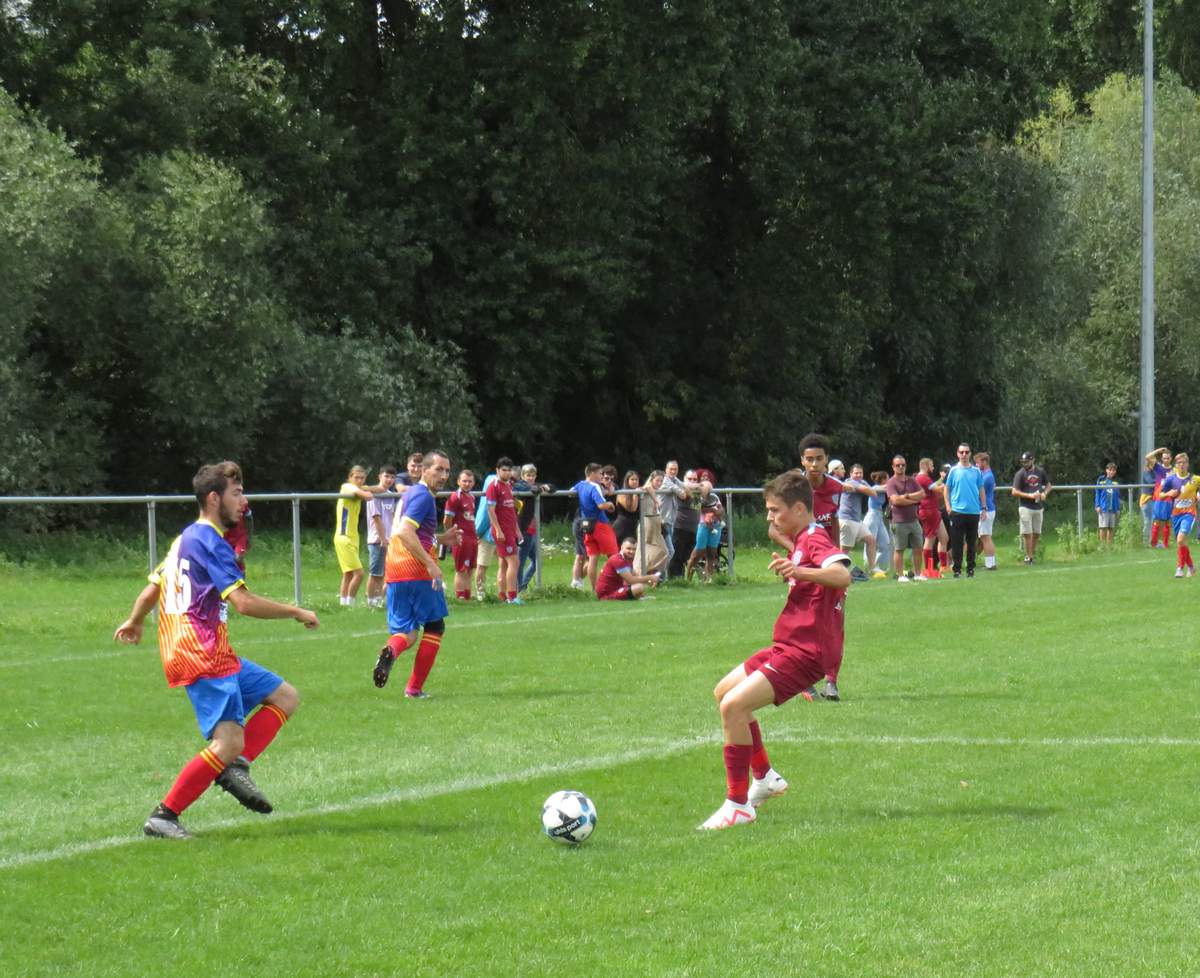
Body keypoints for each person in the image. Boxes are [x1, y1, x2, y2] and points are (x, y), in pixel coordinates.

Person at [114, 461, 319, 840]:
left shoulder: (185, 538)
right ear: (214, 498)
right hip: (200, 651)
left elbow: (154, 587)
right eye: (237, 494)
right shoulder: (209, 541)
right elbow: (243, 602)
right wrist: (295, 610)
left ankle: (234, 765)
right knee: (227, 741)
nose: (244, 502)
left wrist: (136, 619)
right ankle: (165, 815)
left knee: (285, 696)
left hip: (208, 649)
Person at [699, 469, 851, 830]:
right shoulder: (800, 537)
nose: (770, 517)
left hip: (807, 652)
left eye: (775, 510)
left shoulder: (814, 540)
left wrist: (801, 570)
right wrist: (795, 567)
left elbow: (843, 574)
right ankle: (765, 777)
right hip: (787, 644)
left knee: (733, 706)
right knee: (724, 692)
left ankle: (737, 805)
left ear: (799, 509)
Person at [373, 450, 461, 698]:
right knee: (435, 626)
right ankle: (413, 689)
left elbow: (414, 532)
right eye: (438, 469)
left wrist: (442, 539)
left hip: (396, 571)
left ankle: (390, 649)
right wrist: (431, 565)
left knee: (407, 632)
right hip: (418, 571)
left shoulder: (411, 494)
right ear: (424, 470)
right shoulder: (423, 496)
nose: (444, 475)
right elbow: (404, 532)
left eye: (447, 470)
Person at [769, 433, 842, 550]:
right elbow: (773, 530)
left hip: (825, 554)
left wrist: (838, 552)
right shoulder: (791, 488)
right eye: (809, 459)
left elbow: (834, 520)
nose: (814, 464)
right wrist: (797, 550)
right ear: (802, 460)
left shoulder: (836, 487)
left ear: (826, 459)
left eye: (819, 458)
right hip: (800, 556)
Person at [833, 461, 885, 581]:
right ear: (851, 474)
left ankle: (872, 568)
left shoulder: (861, 482)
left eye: (860, 473)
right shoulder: (850, 482)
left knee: (871, 540)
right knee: (844, 550)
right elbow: (872, 492)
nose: (858, 475)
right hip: (847, 520)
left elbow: (872, 491)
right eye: (856, 473)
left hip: (856, 520)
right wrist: (869, 489)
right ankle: (837, 571)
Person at [334, 465, 377, 606]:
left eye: (362, 478)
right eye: (356, 477)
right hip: (344, 537)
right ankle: (350, 603)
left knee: (348, 574)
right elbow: (367, 495)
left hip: (353, 537)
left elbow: (376, 489)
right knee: (359, 574)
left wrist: (376, 488)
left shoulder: (359, 489)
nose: (359, 480)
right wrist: (368, 491)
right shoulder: (347, 487)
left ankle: (343, 604)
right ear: (350, 477)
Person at [572, 463, 617, 593]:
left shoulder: (580, 485)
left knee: (592, 558)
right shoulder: (594, 486)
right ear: (591, 474)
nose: (601, 476)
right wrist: (610, 504)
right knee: (614, 556)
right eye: (599, 474)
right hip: (600, 524)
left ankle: (594, 590)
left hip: (587, 525)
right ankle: (619, 585)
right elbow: (601, 505)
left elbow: (571, 493)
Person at [944, 443, 986, 578]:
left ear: (970, 454)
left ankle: (970, 569)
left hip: (973, 512)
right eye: (961, 452)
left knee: (971, 542)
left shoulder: (976, 471)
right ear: (957, 454)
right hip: (957, 512)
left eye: (966, 452)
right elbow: (946, 489)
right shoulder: (953, 471)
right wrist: (948, 507)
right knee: (956, 542)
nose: (964, 455)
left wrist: (984, 507)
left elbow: (981, 489)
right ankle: (956, 569)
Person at [486, 457, 523, 604]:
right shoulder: (493, 486)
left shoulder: (508, 486)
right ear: (497, 470)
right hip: (502, 531)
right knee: (514, 562)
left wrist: (517, 530)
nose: (507, 473)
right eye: (504, 470)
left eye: (509, 470)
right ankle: (512, 596)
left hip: (509, 530)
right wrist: (498, 530)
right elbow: (491, 510)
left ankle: (502, 596)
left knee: (503, 564)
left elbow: (511, 512)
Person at [1157, 453, 1200, 578]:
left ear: (1187, 464)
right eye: (1179, 463)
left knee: (1181, 539)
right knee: (1181, 542)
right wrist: (1168, 493)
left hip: (1189, 514)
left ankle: (1180, 568)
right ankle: (1191, 567)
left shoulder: (1195, 479)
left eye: (1184, 462)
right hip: (1175, 515)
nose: (1181, 465)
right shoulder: (1171, 479)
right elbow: (1160, 495)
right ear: (1176, 465)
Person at [885, 455, 925, 581]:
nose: (901, 467)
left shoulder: (912, 480)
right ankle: (900, 575)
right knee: (899, 549)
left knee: (918, 548)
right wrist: (913, 499)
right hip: (899, 521)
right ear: (893, 467)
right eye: (898, 465)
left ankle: (918, 574)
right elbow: (895, 501)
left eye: (903, 465)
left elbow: (922, 494)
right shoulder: (891, 482)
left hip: (914, 519)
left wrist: (906, 497)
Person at [514, 463, 552, 592]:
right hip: (524, 530)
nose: (530, 478)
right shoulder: (519, 485)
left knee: (537, 561)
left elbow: (552, 488)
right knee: (520, 562)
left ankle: (522, 585)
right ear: (522, 476)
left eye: (532, 475)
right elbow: (533, 491)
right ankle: (518, 590)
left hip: (533, 531)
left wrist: (545, 487)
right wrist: (542, 488)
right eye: (527, 475)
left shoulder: (535, 485)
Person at [365, 465, 399, 608]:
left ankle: (379, 599)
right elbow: (377, 518)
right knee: (375, 573)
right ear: (380, 477)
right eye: (386, 476)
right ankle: (370, 601)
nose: (389, 479)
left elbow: (391, 517)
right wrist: (383, 538)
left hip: (389, 539)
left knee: (386, 573)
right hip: (377, 540)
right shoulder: (374, 496)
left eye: (392, 477)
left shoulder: (390, 495)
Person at [1012, 451, 1052, 564]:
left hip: (1038, 506)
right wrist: (1028, 495)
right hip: (1025, 506)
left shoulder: (1040, 471)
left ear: (1032, 460)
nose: (1025, 464)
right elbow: (1014, 491)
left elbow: (1048, 485)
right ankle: (1028, 557)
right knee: (1027, 533)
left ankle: (1031, 555)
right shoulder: (1020, 474)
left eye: (1027, 461)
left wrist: (1045, 493)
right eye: (1023, 462)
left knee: (1037, 533)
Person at [443, 468, 478, 600]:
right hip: (461, 538)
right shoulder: (455, 497)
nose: (467, 484)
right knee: (461, 569)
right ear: (458, 482)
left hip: (472, 538)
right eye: (464, 481)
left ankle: (468, 597)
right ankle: (460, 597)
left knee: (470, 569)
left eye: (469, 481)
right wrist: (451, 534)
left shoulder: (471, 497)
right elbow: (447, 519)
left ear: (473, 483)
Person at [596, 537, 662, 600]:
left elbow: (635, 575)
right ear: (621, 547)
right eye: (628, 548)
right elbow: (630, 580)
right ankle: (637, 597)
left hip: (616, 588)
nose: (631, 551)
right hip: (607, 593)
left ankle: (640, 597)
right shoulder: (618, 560)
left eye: (634, 549)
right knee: (639, 587)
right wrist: (650, 577)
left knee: (639, 586)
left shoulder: (627, 558)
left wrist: (648, 582)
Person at [686, 477, 725, 582]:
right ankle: (688, 578)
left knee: (711, 553)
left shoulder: (714, 496)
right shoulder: (697, 495)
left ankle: (708, 579)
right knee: (698, 552)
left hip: (715, 525)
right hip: (703, 525)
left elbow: (721, 509)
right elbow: (697, 509)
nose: (706, 488)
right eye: (704, 486)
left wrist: (716, 512)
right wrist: (711, 509)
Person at [915, 457, 949, 579]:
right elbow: (936, 488)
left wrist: (942, 479)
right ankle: (928, 569)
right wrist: (947, 484)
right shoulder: (922, 478)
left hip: (934, 510)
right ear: (925, 466)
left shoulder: (924, 478)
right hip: (928, 511)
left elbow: (933, 485)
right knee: (930, 539)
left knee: (944, 538)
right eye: (931, 465)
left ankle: (944, 566)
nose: (933, 468)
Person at [635, 470, 670, 577]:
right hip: (648, 521)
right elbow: (647, 487)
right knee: (643, 549)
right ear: (651, 479)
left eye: (661, 481)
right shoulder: (648, 489)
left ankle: (646, 571)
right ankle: (639, 572)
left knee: (664, 551)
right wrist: (656, 500)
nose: (659, 483)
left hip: (656, 522)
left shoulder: (657, 490)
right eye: (657, 480)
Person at [669, 469, 702, 579]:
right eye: (689, 479)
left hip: (693, 529)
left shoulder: (697, 492)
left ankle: (685, 580)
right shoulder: (680, 489)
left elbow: (696, 506)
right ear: (684, 479)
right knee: (676, 555)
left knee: (689, 557)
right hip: (680, 527)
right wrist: (694, 486)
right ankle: (675, 580)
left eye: (695, 479)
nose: (692, 481)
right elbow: (686, 488)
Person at [657, 460, 689, 570]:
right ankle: (658, 577)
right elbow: (683, 495)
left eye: (675, 469)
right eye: (671, 469)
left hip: (675, 522)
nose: (673, 471)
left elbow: (687, 489)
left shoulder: (676, 481)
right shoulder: (667, 482)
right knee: (671, 552)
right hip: (668, 522)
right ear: (666, 470)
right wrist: (693, 493)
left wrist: (701, 488)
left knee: (672, 552)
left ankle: (662, 578)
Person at [863, 469, 892, 575]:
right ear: (883, 479)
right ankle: (868, 567)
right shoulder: (875, 488)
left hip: (879, 517)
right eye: (888, 478)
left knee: (885, 543)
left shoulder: (884, 488)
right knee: (870, 542)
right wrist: (894, 484)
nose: (889, 480)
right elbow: (886, 489)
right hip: (872, 517)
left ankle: (878, 567)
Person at [974, 451, 998, 570]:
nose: (976, 465)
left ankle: (991, 564)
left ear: (984, 462)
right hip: (987, 509)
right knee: (985, 537)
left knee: (986, 537)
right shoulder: (985, 474)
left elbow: (977, 490)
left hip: (986, 510)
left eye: (978, 463)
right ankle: (990, 563)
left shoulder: (987, 476)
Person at [1145, 448, 1173, 549]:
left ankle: (1165, 544)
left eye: (1167, 458)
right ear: (1162, 459)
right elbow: (1147, 457)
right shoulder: (1158, 467)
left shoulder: (1174, 470)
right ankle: (1153, 543)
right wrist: (1158, 450)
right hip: (1158, 498)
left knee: (1167, 522)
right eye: (1164, 458)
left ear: (1171, 458)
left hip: (1169, 499)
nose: (1165, 460)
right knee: (1156, 521)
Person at [1094, 461, 1122, 548]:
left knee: (1111, 527)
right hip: (1104, 508)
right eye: (1110, 470)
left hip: (1112, 508)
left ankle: (1109, 545)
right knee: (1103, 527)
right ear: (1106, 470)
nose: (1111, 472)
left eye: (1113, 470)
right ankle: (1102, 545)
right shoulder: (1101, 480)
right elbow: (1097, 494)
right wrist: (1097, 505)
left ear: (1115, 472)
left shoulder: (1116, 483)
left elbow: (1117, 496)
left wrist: (1117, 508)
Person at [223, 495, 252, 575]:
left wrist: (249, 537)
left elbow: (249, 518)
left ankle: (241, 576)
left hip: (240, 537)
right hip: (224, 538)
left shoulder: (242, 501)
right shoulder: (219, 502)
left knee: (238, 558)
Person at [611, 470, 642, 545]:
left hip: (634, 526)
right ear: (627, 480)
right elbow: (632, 509)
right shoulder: (622, 493)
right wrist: (635, 494)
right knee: (620, 552)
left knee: (633, 553)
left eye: (636, 480)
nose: (635, 482)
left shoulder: (639, 493)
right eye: (632, 479)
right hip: (622, 526)